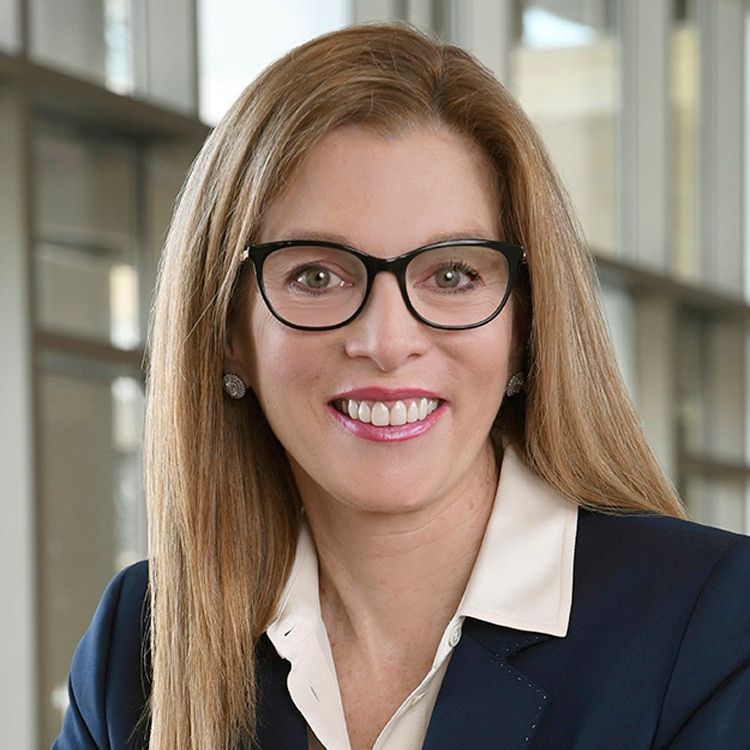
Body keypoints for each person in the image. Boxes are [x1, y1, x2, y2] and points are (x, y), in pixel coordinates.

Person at [53, 22, 750, 750]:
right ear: (230, 335)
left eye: (452, 275)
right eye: (316, 276)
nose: (386, 344)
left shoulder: (709, 625)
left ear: (526, 324)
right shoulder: (142, 643)